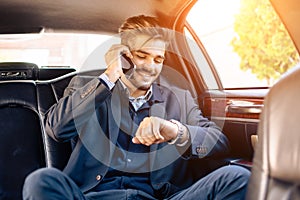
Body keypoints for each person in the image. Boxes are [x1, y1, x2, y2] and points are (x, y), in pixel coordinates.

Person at [23, 15, 250, 200]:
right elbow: (56, 128)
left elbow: (218, 143)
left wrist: (175, 131)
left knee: (236, 177)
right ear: (124, 54)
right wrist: (110, 75)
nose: (151, 68)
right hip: (93, 196)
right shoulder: (87, 88)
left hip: (161, 197)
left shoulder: (179, 98)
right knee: (40, 181)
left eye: (158, 59)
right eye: (142, 56)